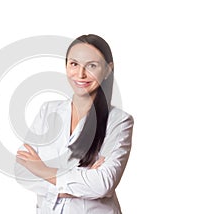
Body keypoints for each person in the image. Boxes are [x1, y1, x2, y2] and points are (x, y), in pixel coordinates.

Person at [15, 34, 134, 213]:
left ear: (108, 69)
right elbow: (22, 171)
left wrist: (42, 170)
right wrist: (82, 184)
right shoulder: (48, 111)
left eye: (92, 66)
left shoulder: (119, 121)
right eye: (74, 64)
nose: (80, 74)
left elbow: (103, 184)